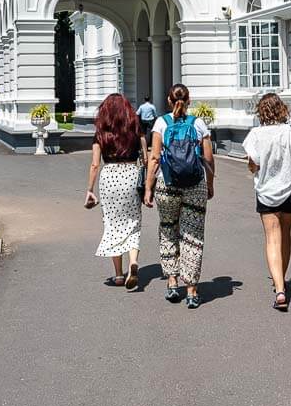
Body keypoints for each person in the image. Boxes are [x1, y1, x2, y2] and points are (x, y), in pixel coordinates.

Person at [143, 83, 214, 309]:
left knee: (168, 228)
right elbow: (209, 159)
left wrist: (148, 188)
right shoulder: (199, 124)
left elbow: (154, 158)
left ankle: (173, 283)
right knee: (192, 235)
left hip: (167, 183)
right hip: (195, 184)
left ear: (169, 100)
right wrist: (210, 184)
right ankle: (192, 290)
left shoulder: (161, 123)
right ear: (189, 100)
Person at [242, 93, 291, 311]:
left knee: (271, 239)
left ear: (261, 112)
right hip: (290, 189)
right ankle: (282, 279)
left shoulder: (255, 135)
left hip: (266, 191)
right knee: (285, 235)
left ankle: (279, 289)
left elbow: (252, 165)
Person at [84, 92, 146, 290]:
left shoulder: (101, 133)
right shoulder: (136, 128)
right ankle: (133, 262)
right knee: (133, 221)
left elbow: (95, 165)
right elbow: (145, 158)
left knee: (112, 224)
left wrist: (90, 190)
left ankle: (119, 275)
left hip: (109, 176)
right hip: (131, 174)